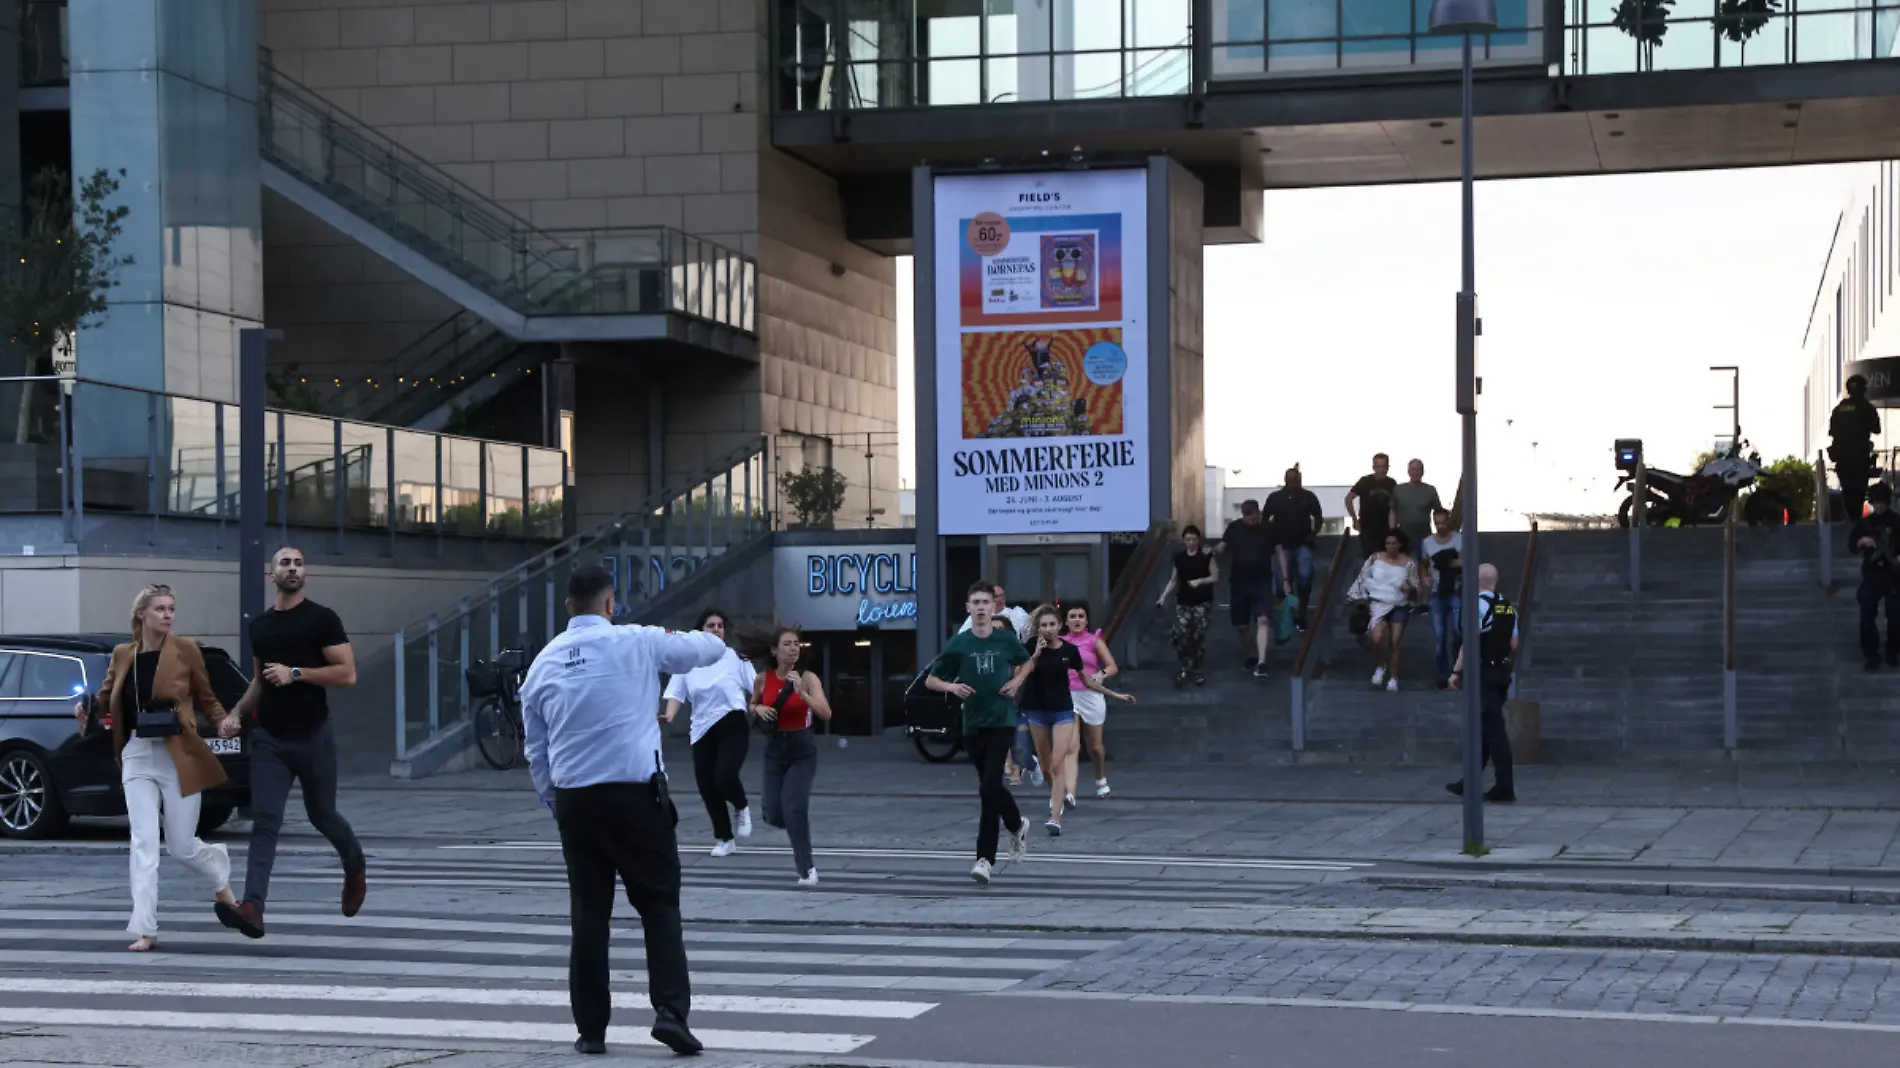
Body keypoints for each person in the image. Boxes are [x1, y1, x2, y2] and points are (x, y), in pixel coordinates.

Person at [519, 565, 727, 1056]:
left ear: (569, 607)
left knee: (589, 915)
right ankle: (670, 1012)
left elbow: (536, 751)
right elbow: (706, 649)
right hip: (636, 797)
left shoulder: (543, 664)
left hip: (576, 802)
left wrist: (556, 801)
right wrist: (714, 639)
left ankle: (591, 1030)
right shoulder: (638, 640)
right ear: (611, 605)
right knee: (659, 904)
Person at [73, 584, 238, 952]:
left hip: (179, 754)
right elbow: (105, 700)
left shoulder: (186, 651)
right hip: (136, 754)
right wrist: (87, 712)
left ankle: (219, 873)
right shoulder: (122, 654)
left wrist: (224, 721)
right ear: (142, 615)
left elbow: (207, 698)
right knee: (143, 841)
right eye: (160, 609)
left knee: (181, 846)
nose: (168, 615)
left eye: (171, 609)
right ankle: (145, 928)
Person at [216, 546, 364, 941]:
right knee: (265, 822)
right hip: (271, 740)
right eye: (285, 563)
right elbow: (260, 682)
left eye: (299, 563)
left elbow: (347, 673)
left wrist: (296, 672)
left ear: (306, 575)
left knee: (323, 816)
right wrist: (235, 715)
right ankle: (252, 908)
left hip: (313, 735)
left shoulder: (322, 619)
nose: (293, 568)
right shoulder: (259, 627)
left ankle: (354, 866)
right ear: (272, 575)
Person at [927, 581, 1035, 885]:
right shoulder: (959, 643)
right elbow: (931, 680)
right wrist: (951, 686)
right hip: (972, 724)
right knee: (989, 788)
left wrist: (1016, 683)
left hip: (1001, 720)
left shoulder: (1004, 640)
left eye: (985, 602)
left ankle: (984, 859)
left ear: (994, 607)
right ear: (968, 608)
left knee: (989, 788)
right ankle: (1016, 824)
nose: (980, 608)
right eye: (975, 602)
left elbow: (1027, 662)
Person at [1018, 604, 1134, 835]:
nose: (1048, 629)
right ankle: (1059, 795)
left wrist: (1114, 694)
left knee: (1062, 758)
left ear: (1059, 626)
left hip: (1063, 709)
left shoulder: (1070, 650)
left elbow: (1086, 680)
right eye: (1044, 625)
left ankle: (1055, 817)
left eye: (1052, 625)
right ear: (1039, 628)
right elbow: (1019, 674)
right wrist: (1036, 654)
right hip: (1036, 709)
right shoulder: (1030, 646)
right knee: (1046, 764)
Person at [662, 608, 757, 858]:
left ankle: (742, 806)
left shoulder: (736, 657)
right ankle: (725, 838)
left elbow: (755, 687)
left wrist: (760, 705)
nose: (716, 629)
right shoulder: (688, 662)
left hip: (733, 722)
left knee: (724, 776)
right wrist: (670, 715)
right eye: (710, 625)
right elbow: (675, 693)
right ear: (700, 631)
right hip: (702, 729)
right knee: (707, 787)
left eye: (719, 625)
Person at [745, 624, 833, 885]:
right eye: (787, 644)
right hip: (775, 750)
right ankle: (796, 825)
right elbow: (753, 703)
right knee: (772, 813)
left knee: (795, 808)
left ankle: (807, 870)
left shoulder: (807, 678)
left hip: (801, 749)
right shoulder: (763, 678)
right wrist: (757, 709)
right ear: (774, 650)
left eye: (796, 644)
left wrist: (802, 694)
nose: (793, 648)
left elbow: (826, 713)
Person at [1446, 563, 1519, 804]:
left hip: (1483, 673)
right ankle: (1469, 782)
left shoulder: (1476, 605)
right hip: (1500, 672)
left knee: (1494, 731)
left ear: (1476, 581)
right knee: (1484, 729)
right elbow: (1515, 644)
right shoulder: (1508, 607)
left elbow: (1469, 641)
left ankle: (1504, 786)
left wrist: (1456, 671)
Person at [958, 582, 1037, 785]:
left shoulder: (1011, 644)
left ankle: (1029, 765)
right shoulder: (975, 640)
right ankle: (1001, 801)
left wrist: (1017, 682)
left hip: (1011, 709)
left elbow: (1027, 663)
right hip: (986, 713)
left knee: (1020, 751)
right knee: (993, 769)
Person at [1060, 602, 1122, 800]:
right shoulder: (1059, 641)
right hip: (1067, 695)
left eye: (1080, 616)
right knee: (1071, 745)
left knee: (1095, 747)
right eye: (1072, 616)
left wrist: (1101, 674)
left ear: (1086, 620)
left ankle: (1100, 778)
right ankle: (1070, 791)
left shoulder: (1094, 640)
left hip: (1091, 694)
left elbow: (1112, 666)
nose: (1076, 619)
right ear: (1066, 621)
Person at [1348, 530, 1420, 692]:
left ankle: (1394, 677)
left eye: (1394, 543)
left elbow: (1416, 585)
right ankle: (1381, 664)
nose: (1391, 546)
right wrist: (1360, 597)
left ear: (1400, 544)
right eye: (1388, 543)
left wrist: (1409, 588)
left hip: (1399, 605)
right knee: (1377, 638)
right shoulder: (1374, 559)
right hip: (1378, 603)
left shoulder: (1409, 562)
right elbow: (1363, 577)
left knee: (1395, 642)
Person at [1215, 500, 1276, 677]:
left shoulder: (1268, 528)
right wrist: (1211, 551)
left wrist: (1285, 578)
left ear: (1259, 513)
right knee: (1242, 625)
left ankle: (1262, 662)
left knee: (1263, 619)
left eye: (1253, 518)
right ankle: (1253, 654)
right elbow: (1222, 546)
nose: (1250, 522)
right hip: (1240, 581)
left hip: (1262, 580)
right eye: (1247, 518)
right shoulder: (1235, 528)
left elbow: (1279, 550)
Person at [1157, 525, 1218, 686]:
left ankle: (1197, 668)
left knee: (1198, 636)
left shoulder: (1206, 556)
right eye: (1188, 539)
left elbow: (1215, 576)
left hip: (1202, 602)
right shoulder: (1179, 558)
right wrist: (1163, 596)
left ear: (1198, 540)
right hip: (1184, 601)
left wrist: (1201, 581)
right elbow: (1173, 580)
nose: (1191, 542)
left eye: (1194, 539)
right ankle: (1185, 665)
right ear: (1184, 541)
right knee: (1181, 633)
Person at [1263, 469, 1324, 632]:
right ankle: (1286, 618)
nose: (1292, 483)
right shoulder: (1275, 498)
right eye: (1289, 480)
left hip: (1303, 545)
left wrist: (1313, 534)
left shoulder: (1308, 496)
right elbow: (1265, 518)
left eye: (1295, 480)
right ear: (1285, 480)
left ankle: (1302, 615)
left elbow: (1318, 517)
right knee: (1281, 585)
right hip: (1281, 547)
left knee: (1304, 581)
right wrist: (1270, 538)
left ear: (1300, 480)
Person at [1851, 482, 1900, 670]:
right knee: (1867, 613)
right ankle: (1871, 655)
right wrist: (1861, 541)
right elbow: (1852, 545)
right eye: (1875, 503)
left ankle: (1892, 652)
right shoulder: (1866, 523)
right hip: (1872, 574)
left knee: (1895, 616)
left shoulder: (1896, 522)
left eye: (1881, 503)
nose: (1878, 506)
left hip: (1893, 574)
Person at [1417, 508, 1464, 689]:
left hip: (1456, 589)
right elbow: (1423, 563)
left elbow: (1467, 560)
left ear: (1449, 521)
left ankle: (1458, 671)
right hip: (1437, 591)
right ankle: (1442, 675)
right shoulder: (1428, 542)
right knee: (1439, 635)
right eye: (1437, 523)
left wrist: (1448, 561)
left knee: (1458, 632)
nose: (1440, 526)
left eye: (1443, 522)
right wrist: (1424, 576)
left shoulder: (1459, 539)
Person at [1830, 374, 1883, 521]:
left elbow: (1832, 431)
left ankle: (1850, 518)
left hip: (1842, 457)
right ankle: (1855, 519)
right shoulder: (1867, 407)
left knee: (1847, 490)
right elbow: (1877, 429)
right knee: (1858, 491)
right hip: (1859, 457)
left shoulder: (1840, 408)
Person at [1345, 453, 1399, 558]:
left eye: (1384, 466)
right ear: (1373, 467)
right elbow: (1349, 499)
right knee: (1370, 560)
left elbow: (1395, 506)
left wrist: (1394, 528)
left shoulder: (1392, 483)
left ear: (1388, 467)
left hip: (1385, 529)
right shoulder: (1365, 481)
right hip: (1367, 529)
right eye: (1378, 466)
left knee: (1385, 560)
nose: (1381, 470)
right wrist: (1354, 520)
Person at [1392, 459, 1443, 550]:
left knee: (1424, 562)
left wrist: (1441, 531)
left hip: (1424, 536)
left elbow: (1439, 512)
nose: (1416, 472)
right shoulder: (1398, 489)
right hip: (1403, 536)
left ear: (1423, 471)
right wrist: (1392, 532)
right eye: (1413, 469)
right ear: (1408, 471)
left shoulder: (1430, 490)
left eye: (1418, 469)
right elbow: (1392, 511)